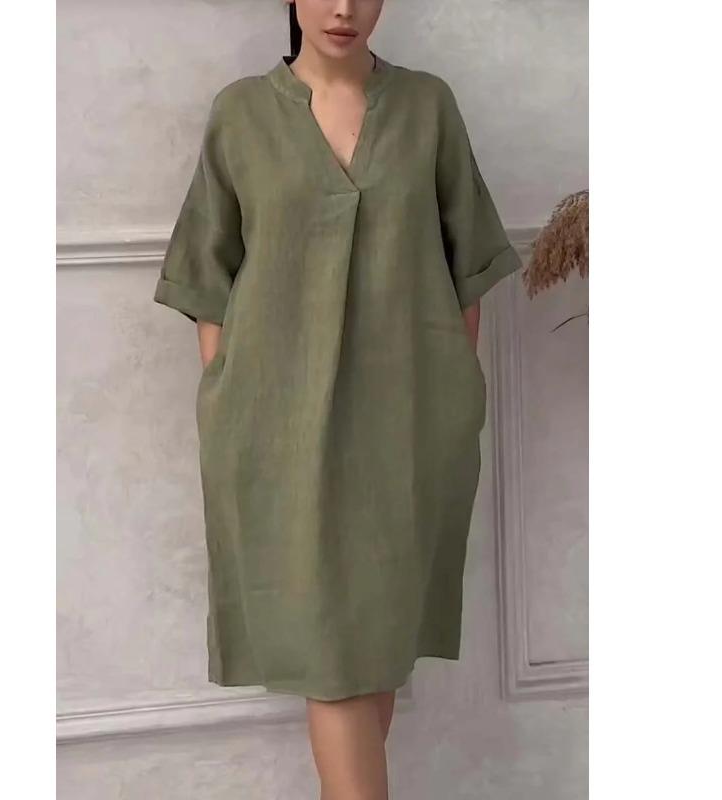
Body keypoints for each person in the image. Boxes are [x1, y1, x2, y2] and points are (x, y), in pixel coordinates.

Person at [153, 0, 523, 796]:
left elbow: (468, 267)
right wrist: (233, 397)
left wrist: (452, 389)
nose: (345, 8)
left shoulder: (427, 107)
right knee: (337, 665)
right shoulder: (242, 115)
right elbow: (207, 278)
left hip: (408, 430)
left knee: (372, 654)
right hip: (279, 432)